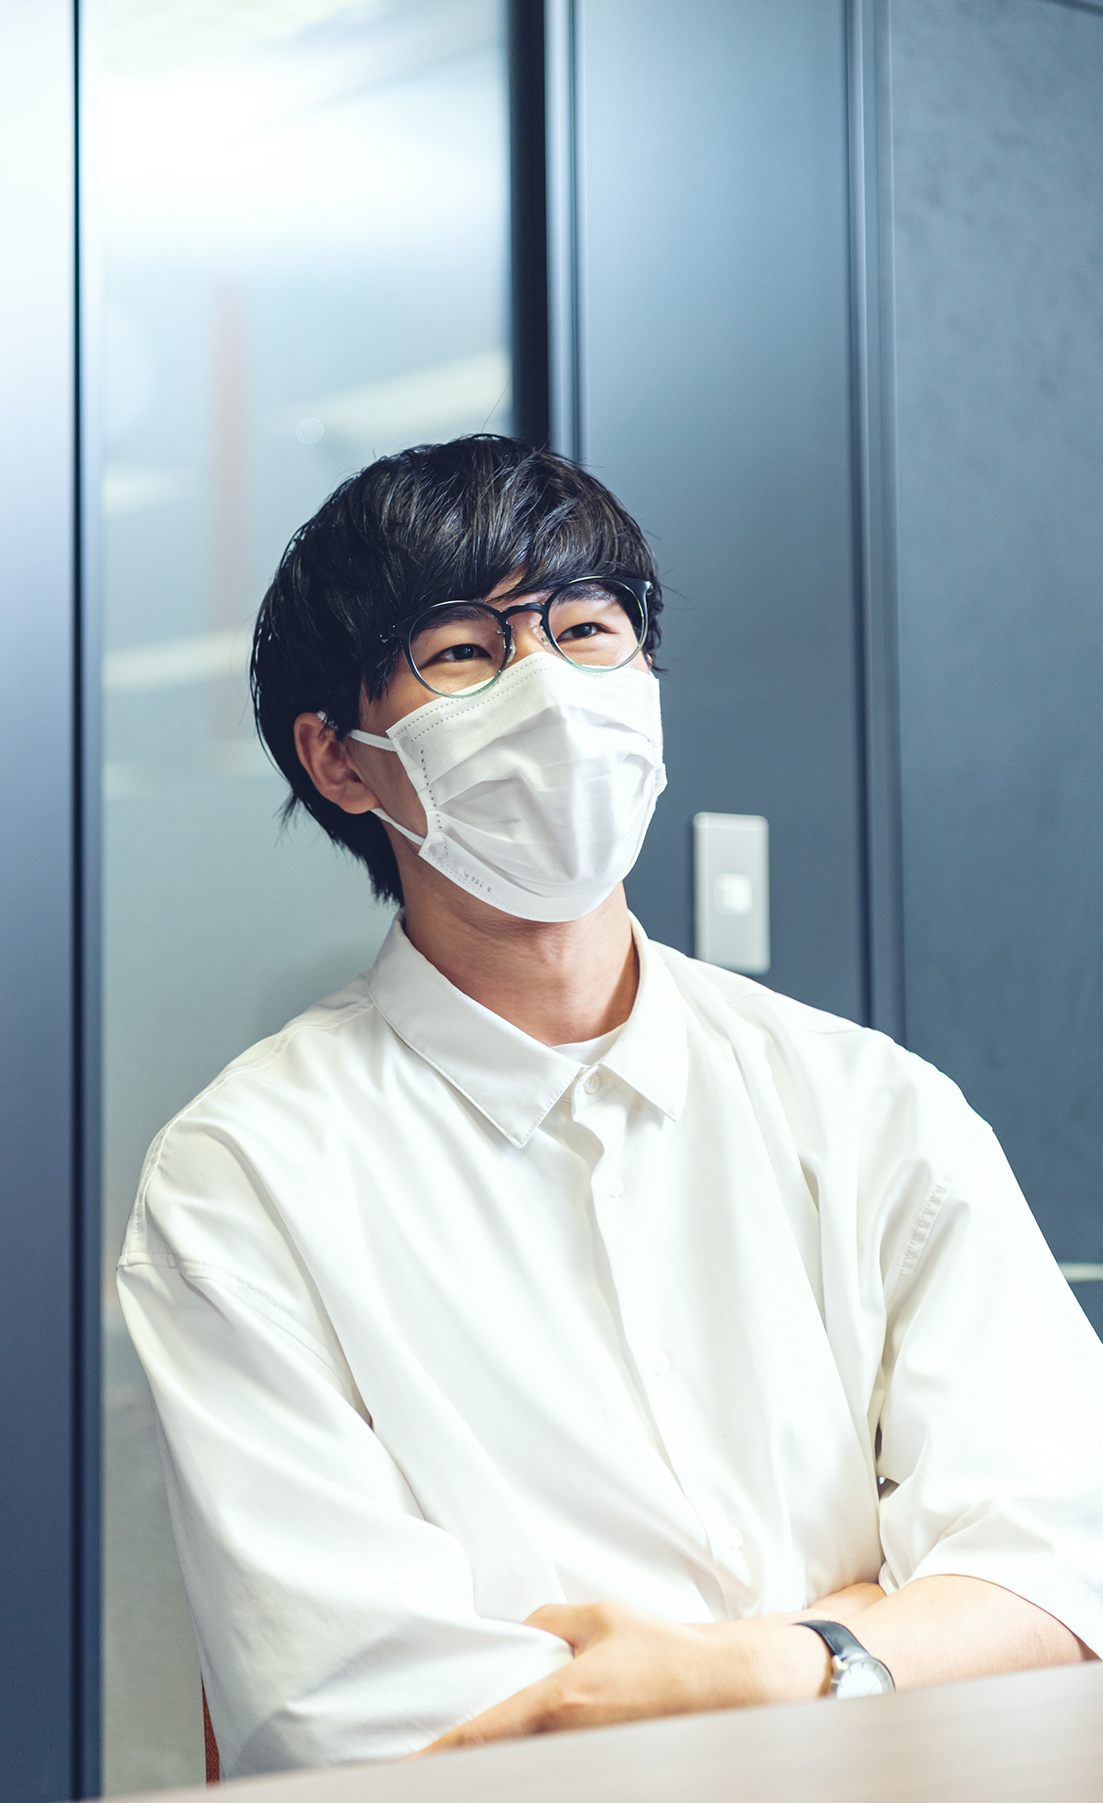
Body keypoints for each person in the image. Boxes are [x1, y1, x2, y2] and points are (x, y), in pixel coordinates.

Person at [118, 435, 1102, 1778]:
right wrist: (879, 1634)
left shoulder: (872, 1109)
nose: (550, 690)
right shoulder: (245, 1179)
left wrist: (776, 1663)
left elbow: (1064, 1574)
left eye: (586, 630)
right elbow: (360, 1716)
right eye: (464, 652)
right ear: (341, 761)